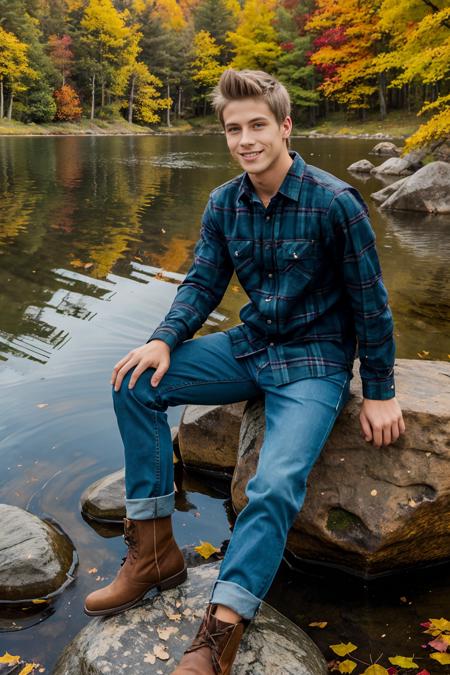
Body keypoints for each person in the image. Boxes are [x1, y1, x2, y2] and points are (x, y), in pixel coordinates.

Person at [83, 69, 405, 674]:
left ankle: (222, 628)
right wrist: (162, 339)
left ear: (285, 126)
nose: (245, 139)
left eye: (258, 125)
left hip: (315, 362)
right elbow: (203, 281)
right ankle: (152, 552)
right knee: (134, 381)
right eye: (234, 129)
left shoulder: (335, 202)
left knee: (275, 482)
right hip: (253, 345)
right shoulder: (224, 202)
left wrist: (381, 391)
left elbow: (371, 303)